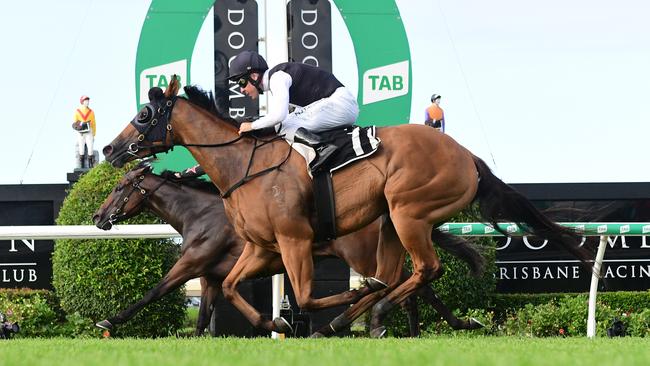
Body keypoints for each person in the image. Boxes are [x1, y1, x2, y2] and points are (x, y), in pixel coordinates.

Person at [228, 50, 359, 172]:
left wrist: (252, 126)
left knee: (283, 125)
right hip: (338, 104)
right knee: (286, 123)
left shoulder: (278, 78)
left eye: (241, 82)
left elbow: (279, 116)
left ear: (254, 76)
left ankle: (322, 149)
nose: (241, 90)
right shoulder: (277, 79)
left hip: (340, 104)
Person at [72, 95, 97, 169]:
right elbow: (75, 122)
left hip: (89, 131)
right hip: (81, 132)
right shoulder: (78, 111)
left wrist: (94, 132)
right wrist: (77, 126)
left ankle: (90, 164)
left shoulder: (91, 112)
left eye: (88, 101)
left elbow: (93, 123)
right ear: (82, 102)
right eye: (85, 101)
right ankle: (81, 164)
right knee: (81, 148)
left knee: (90, 147)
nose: (87, 102)